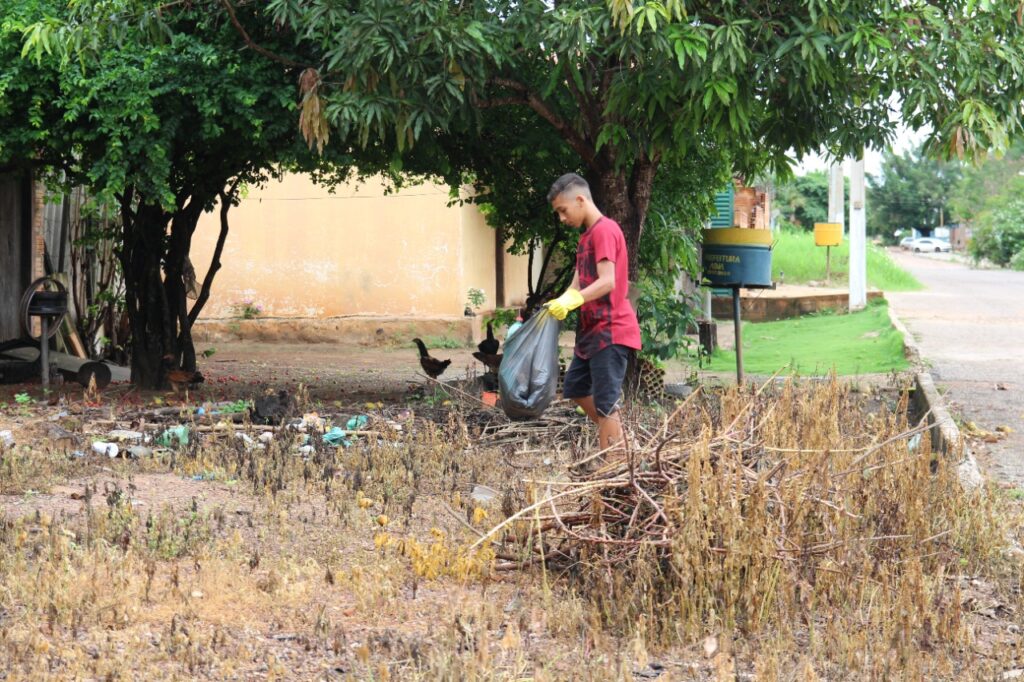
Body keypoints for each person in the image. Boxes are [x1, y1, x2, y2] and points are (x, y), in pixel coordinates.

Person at [545, 173, 641, 455]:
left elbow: (608, 281)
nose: (562, 218)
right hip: (591, 332)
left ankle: (612, 464)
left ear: (580, 200)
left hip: (611, 330)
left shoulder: (604, 231)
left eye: (563, 210)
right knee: (575, 387)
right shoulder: (586, 237)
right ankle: (621, 442)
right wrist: (562, 301)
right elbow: (577, 283)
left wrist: (575, 299)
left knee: (606, 403)